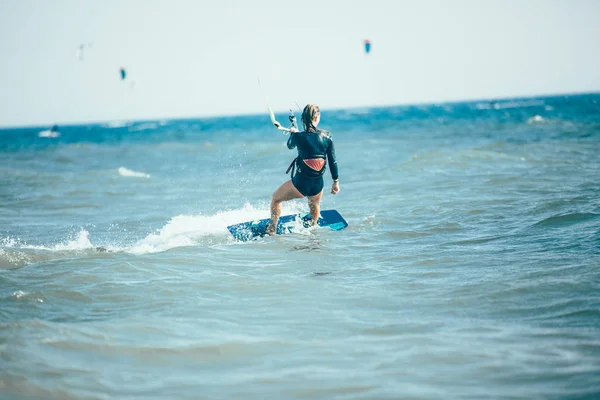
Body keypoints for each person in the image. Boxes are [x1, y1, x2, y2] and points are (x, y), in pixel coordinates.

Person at [266, 104, 339, 235]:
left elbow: (289, 146)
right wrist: (335, 182)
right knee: (314, 203)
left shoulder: (298, 136)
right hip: (318, 185)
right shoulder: (327, 137)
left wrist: (293, 133)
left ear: (303, 119)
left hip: (300, 184)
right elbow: (333, 160)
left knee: (276, 199)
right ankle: (314, 228)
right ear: (316, 118)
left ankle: (272, 228)